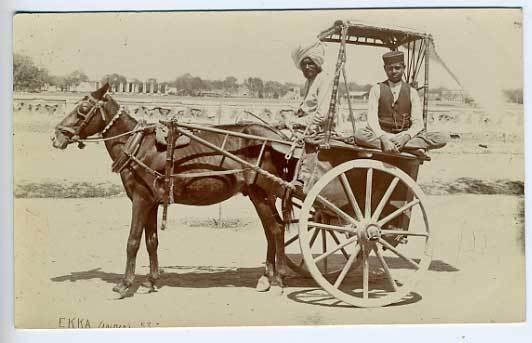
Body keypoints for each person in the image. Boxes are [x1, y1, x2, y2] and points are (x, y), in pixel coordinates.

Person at [355, 50, 449, 159]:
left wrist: (405, 138)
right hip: (382, 135)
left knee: (443, 137)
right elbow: (372, 120)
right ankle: (410, 148)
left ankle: (402, 146)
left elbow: (418, 123)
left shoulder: (412, 92)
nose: (394, 71)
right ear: (385, 69)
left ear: (403, 68)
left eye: (397, 68)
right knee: (360, 135)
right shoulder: (376, 89)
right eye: (390, 68)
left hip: (405, 137)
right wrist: (384, 139)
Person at [286, 41, 335, 193]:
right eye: (303, 64)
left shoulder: (325, 79)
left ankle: (302, 179)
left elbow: (322, 114)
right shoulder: (309, 82)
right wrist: (291, 117)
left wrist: (296, 122)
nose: (307, 67)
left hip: (321, 130)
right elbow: (305, 108)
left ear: (317, 63)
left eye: (310, 63)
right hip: (307, 127)